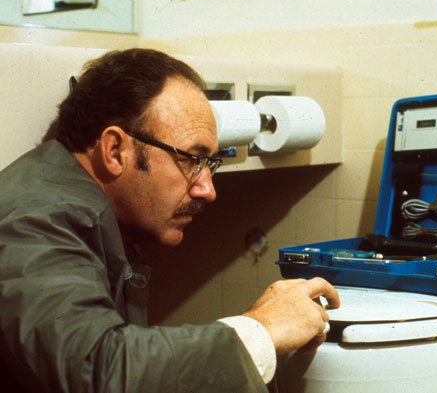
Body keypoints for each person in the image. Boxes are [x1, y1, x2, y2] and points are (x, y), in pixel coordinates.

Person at [0, 48, 340, 393]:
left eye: (209, 164)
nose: (208, 190)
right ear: (115, 150)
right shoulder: (31, 222)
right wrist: (261, 331)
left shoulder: (78, 207)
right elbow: (97, 369)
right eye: (192, 159)